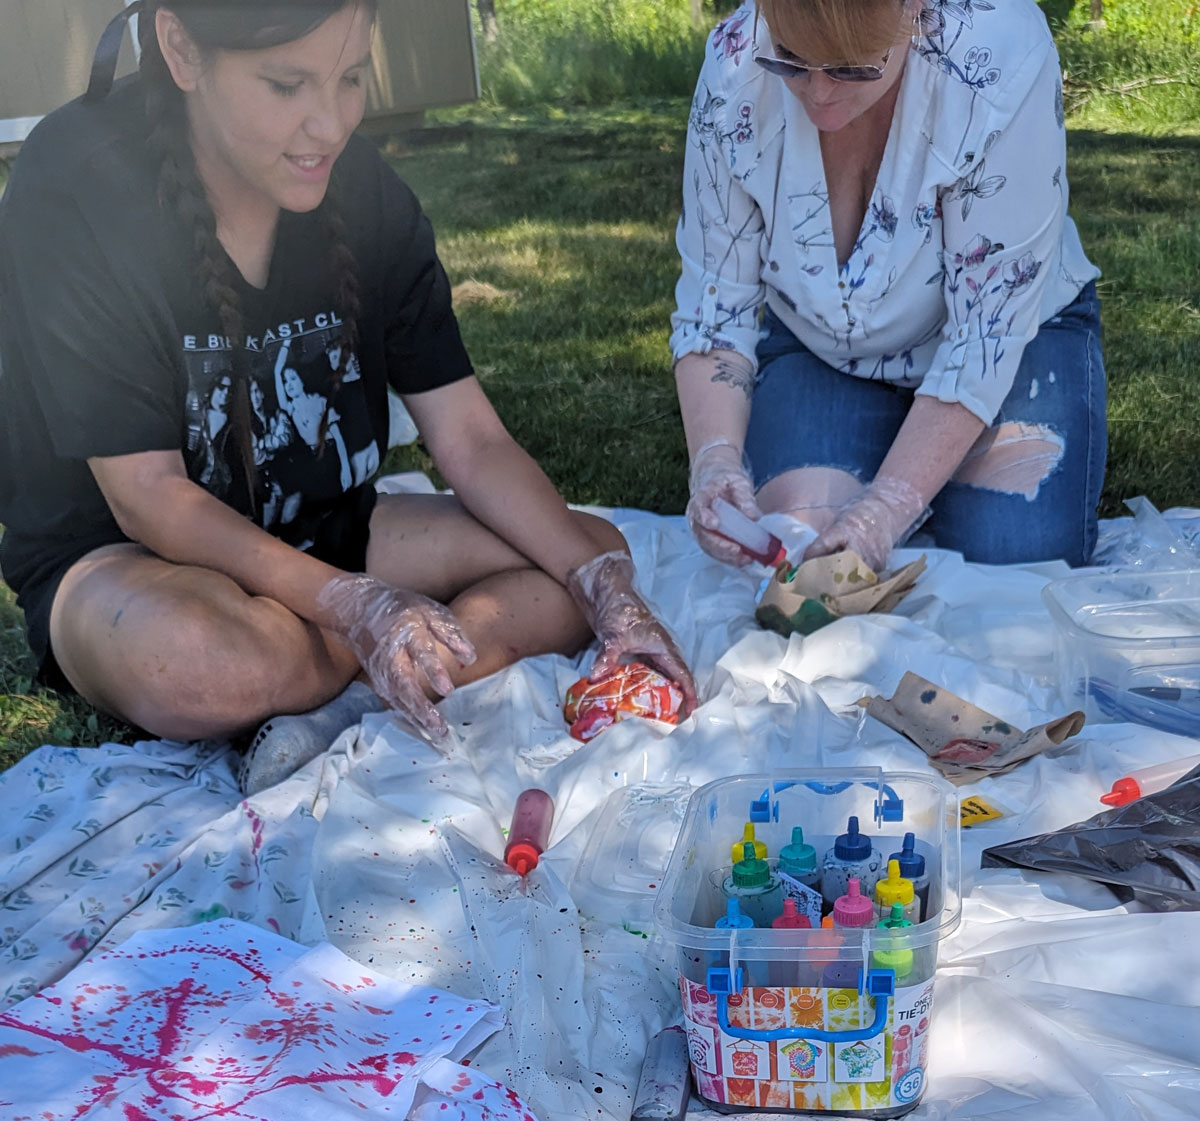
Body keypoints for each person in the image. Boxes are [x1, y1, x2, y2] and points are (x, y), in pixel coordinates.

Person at [0, 0, 695, 794]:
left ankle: (340, 702)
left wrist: (607, 593)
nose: (328, 126)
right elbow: (147, 498)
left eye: (351, 78)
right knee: (201, 662)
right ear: (183, 51)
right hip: (127, 561)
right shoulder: (80, 186)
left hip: (320, 527)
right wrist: (357, 606)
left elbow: (471, 439)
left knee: (580, 552)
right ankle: (370, 661)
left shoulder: (366, 194)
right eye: (286, 85)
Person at [673, 0, 1107, 574]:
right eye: (792, 62)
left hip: (1015, 337)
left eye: (852, 67)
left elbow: (987, 332)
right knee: (791, 551)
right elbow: (714, 305)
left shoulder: (999, 51)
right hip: (823, 347)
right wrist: (715, 459)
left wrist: (887, 507)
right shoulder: (735, 65)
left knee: (1011, 560)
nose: (821, 97)